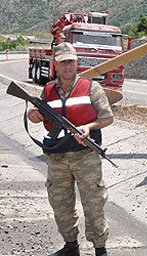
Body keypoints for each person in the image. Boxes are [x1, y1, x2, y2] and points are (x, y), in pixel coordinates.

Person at [27, 42, 113, 256]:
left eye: (71, 62)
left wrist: (88, 127)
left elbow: (107, 117)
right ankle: (70, 246)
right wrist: (33, 115)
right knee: (61, 205)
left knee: (94, 204)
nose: (67, 66)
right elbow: (35, 114)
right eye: (63, 62)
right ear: (55, 65)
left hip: (86, 157)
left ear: (77, 63)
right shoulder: (47, 91)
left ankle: (100, 249)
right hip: (57, 158)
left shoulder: (91, 88)